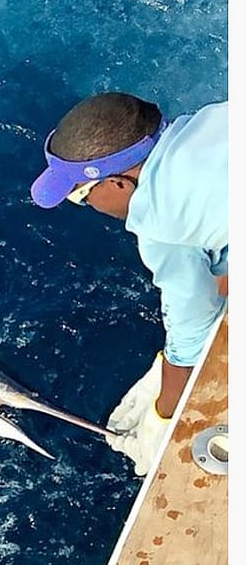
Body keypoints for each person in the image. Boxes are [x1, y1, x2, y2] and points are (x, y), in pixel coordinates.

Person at [29, 92, 228, 475]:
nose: (89, 208)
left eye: (82, 198)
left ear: (119, 184)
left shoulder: (160, 220)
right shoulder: (212, 118)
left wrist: (164, 415)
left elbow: (193, 330)